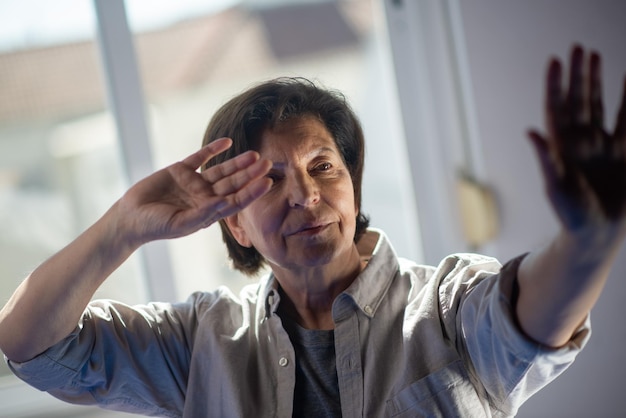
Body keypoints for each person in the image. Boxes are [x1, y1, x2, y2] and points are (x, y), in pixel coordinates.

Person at [0, 45, 624, 417]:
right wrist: (121, 229)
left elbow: (530, 323)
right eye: (269, 180)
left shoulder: (448, 303)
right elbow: (29, 344)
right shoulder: (198, 343)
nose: (305, 194)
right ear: (235, 225)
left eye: (323, 166)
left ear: (352, 186)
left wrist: (589, 240)